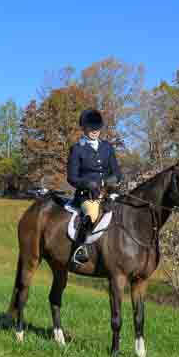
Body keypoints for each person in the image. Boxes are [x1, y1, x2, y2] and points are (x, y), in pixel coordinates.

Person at [67, 108, 123, 267]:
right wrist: (87, 183)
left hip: (108, 193)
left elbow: (117, 173)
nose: (94, 131)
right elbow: (71, 177)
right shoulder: (77, 149)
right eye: (91, 128)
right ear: (84, 128)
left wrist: (109, 181)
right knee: (92, 213)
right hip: (87, 195)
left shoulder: (107, 147)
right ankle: (79, 249)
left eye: (97, 128)